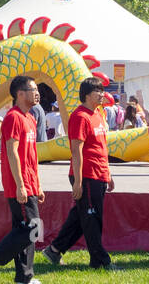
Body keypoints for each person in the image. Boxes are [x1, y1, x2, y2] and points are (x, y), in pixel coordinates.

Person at [0, 75, 47, 284]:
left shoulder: (31, 118)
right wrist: (20, 185)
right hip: (19, 184)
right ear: (20, 93)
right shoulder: (13, 117)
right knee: (33, 228)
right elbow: (12, 152)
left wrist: (38, 184)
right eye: (33, 89)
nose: (37, 93)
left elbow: (32, 155)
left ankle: (24, 278)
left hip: (29, 183)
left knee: (24, 229)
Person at [43, 78, 115, 270]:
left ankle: (55, 250)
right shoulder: (80, 116)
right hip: (86, 174)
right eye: (97, 91)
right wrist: (78, 182)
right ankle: (100, 261)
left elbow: (102, 147)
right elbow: (76, 151)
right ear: (87, 95)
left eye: (102, 90)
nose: (102, 94)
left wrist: (108, 173)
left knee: (81, 217)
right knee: (92, 218)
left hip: (99, 173)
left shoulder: (97, 114)